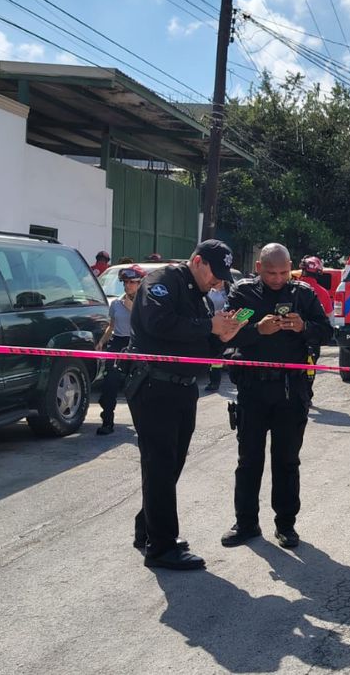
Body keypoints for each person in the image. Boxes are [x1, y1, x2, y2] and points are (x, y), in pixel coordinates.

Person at [129, 239, 245, 570]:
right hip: (154, 386)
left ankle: (149, 530)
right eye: (215, 273)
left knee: (170, 465)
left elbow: (200, 349)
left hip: (182, 389)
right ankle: (162, 547)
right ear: (197, 261)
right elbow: (159, 323)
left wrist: (221, 337)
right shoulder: (164, 282)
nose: (218, 282)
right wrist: (209, 325)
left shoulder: (199, 298)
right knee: (161, 464)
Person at [220, 243, 332, 549]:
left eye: (283, 272)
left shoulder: (303, 294)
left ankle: (286, 525)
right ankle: (246, 523)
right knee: (249, 461)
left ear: (291, 267)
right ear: (258, 267)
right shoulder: (243, 294)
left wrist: (304, 327)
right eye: (271, 272)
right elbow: (226, 335)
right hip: (253, 390)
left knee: (286, 461)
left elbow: (328, 332)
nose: (277, 278)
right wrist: (258, 330)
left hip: (291, 390)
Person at [95, 266, 144, 435]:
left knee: (140, 386)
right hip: (118, 343)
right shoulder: (116, 304)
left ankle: (144, 425)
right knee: (110, 383)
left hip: (138, 343)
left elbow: (146, 323)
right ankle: (107, 421)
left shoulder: (146, 304)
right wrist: (102, 341)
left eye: (132, 282)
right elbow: (112, 326)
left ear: (139, 284)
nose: (128, 286)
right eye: (125, 282)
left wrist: (131, 306)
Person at [204, 283, 228, 392]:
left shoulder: (227, 293)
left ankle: (215, 382)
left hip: (221, 325)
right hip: (211, 324)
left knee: (216, 359)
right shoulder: (209, 293)